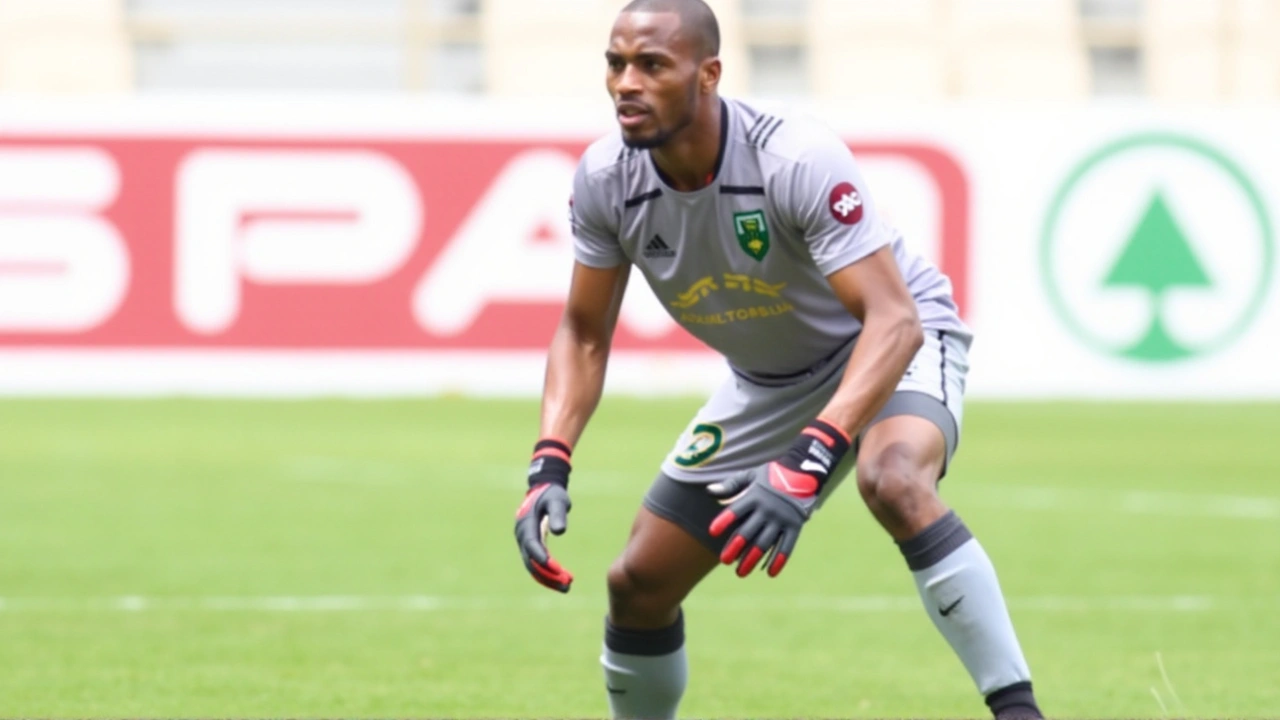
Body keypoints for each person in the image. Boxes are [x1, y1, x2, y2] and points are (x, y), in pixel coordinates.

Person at [512, 1, 1043, 718]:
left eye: (652, 65)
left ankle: (1018, 711)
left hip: (886, 346)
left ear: (708, 75)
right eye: (615, 63)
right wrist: (550, 459)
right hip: (769, 384)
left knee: (892, 481)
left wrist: (809, 458)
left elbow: (892, 320)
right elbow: (582, 333)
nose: (625, 84)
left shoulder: (791, 155)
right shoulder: (606, 179)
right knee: (638, 582)